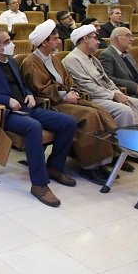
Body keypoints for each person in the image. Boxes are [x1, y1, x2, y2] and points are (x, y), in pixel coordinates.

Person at [0, 29, 76, 207]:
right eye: (7, 42)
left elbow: (21, 85)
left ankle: (54, 167)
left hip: (26, 107)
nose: (12, 44)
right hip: (4, 113)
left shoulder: (11, 61)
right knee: (33, 126)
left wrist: (28, 94)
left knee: (68, 122)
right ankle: (39, 184)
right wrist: (6, 100)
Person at [21, 20, 116, 185]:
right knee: (89, 115)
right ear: (44, 42)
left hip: (66, 101)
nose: (59, 41)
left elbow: (68, 80)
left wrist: (73, 91)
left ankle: (102, 161)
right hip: (51, 104)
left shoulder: (54, 59)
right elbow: (40, 89)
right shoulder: (31, 62)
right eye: (55, 39)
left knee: (99, 111)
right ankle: (89, 166)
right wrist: (65, 96)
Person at [62, 25, 138, 128]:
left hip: (106, 94)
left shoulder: (92, 58)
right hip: (91, 98)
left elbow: (107, 80)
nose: (98, 42)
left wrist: (117, 92)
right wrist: (113, 95)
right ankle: (120, 139)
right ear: (86, 39)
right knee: (124, 111)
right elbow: (87, 87)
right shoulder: (72, 59)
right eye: (95, 38)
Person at [99, 27, 138, 96]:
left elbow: (135, 73)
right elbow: (108, 78)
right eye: (128, 36)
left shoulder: (127, 54)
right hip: (128, 93)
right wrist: (134, 87)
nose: (132, 39)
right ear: (116, 39)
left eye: (132, 36)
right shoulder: (106, 55)